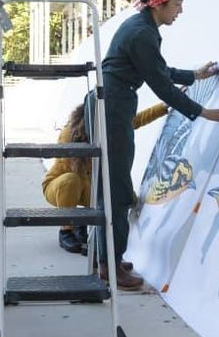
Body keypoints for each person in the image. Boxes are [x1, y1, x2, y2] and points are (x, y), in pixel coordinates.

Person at [95, 0, 219, 290]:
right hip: (114, 108)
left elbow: (157, 69)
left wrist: (195, 75)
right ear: (159, 3)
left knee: (112, 185)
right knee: (117, 188)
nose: (180, 10)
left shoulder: (141, 27)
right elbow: (161, 85)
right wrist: (206, 112)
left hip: (113, 105)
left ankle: (108, 257)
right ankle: (110, 265)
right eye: (177, 4)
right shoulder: (142, 33)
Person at [43, 101, 168, 255]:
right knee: (72, 180)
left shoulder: (106, 128)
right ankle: (66, 230)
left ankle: (80, 222)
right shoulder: (69, 134)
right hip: (59, 187)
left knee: (121, 195)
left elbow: (136, 120)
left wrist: (164, 107)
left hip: (87, 185)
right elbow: (78, 173)